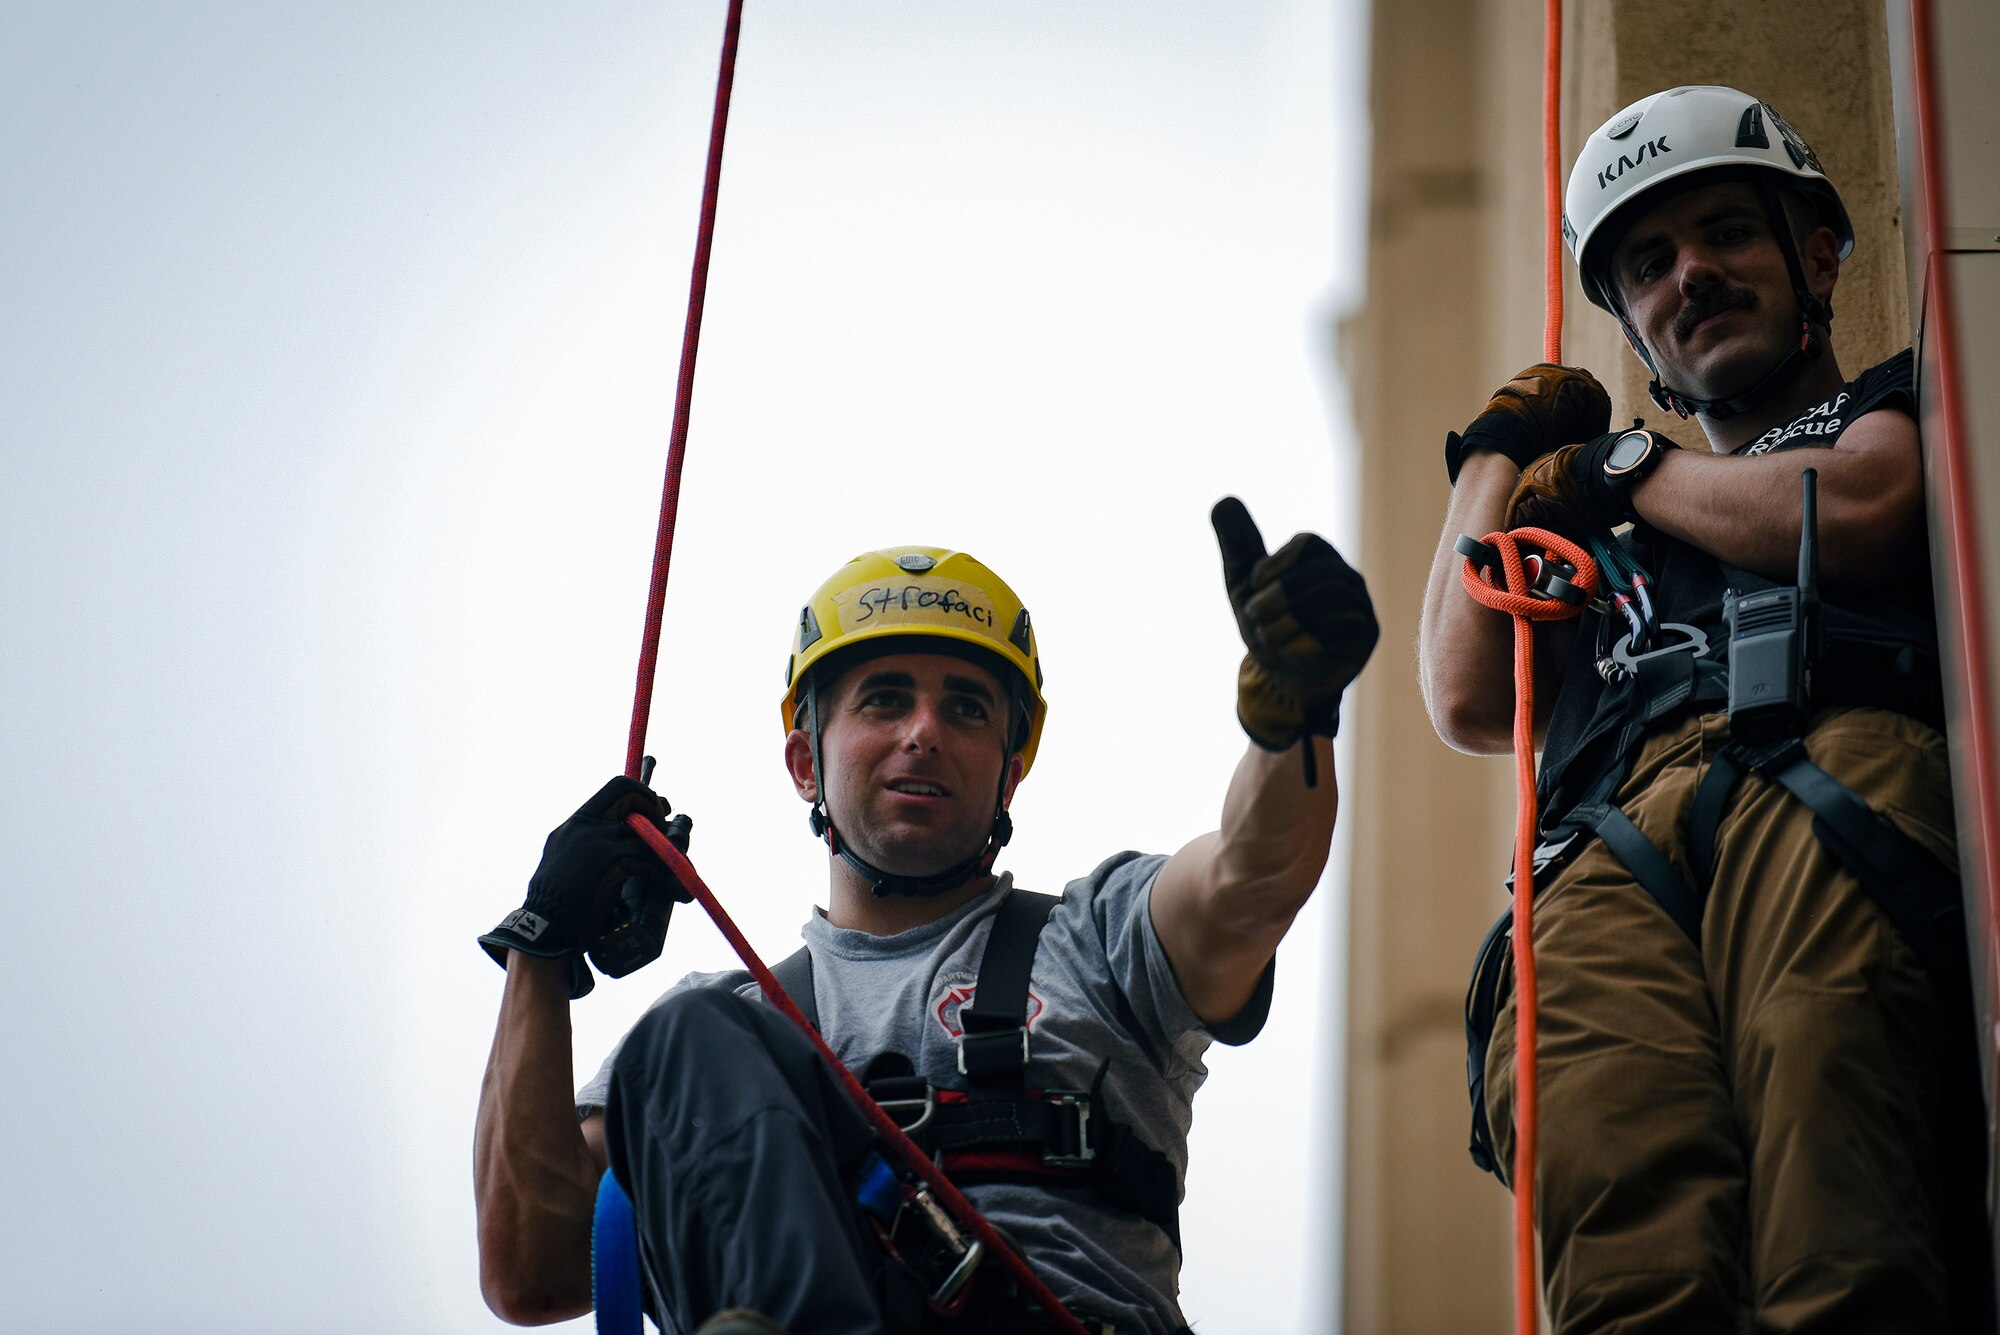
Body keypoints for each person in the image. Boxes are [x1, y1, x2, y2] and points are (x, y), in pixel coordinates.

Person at [473, 501, 1378, 1334]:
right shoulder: (719, 1047)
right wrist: (540, 949)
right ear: (803, 760)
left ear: (1009, 768)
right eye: (884, 697)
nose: (925, 730)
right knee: (687, 1035)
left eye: (967, 706)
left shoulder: (1099, 939)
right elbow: (531, 1266)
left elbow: (1248, 879)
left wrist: (1293, 717)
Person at [1419, 85, 1991, 1333]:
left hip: (1823, 778)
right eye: (1648, 266)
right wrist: (1492, 460)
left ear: (1817, 256)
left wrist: (1628, 467)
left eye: (1727, 233)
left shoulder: (1884, 410)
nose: (1692, 275)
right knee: (1617, 1205)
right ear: (1634, 327)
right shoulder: (1603, 549)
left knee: (1828, 1123)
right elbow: (1464, 693)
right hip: (1602, 854)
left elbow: (1854, 512)